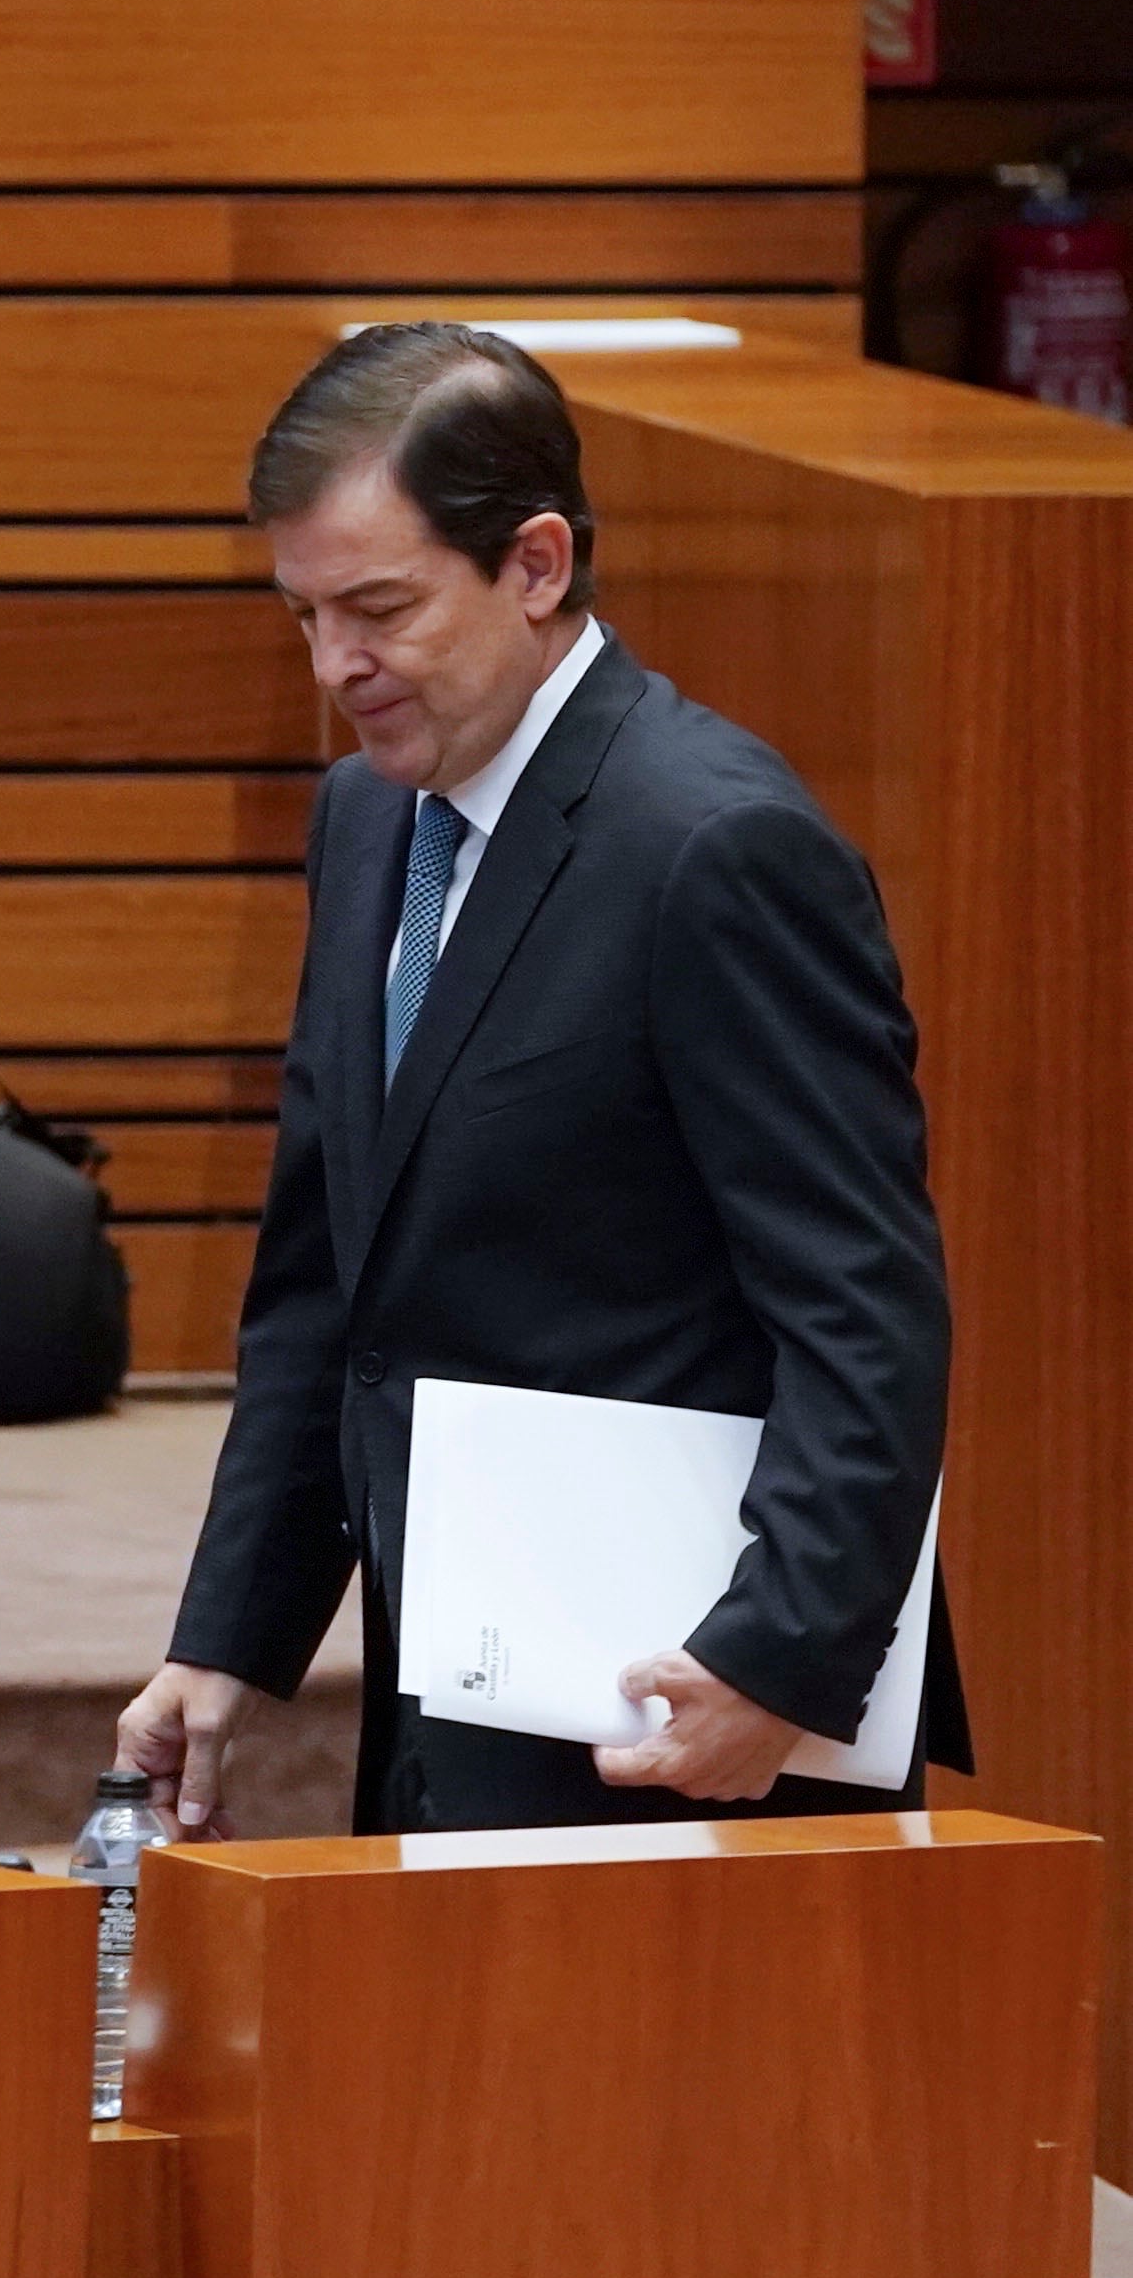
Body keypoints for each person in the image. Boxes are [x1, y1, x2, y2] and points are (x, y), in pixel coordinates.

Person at [113, 323, 966, 1838]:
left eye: (378, 609)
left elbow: (863, 1304)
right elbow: (332, 1281)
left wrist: (776, 1657)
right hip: (456, 1681)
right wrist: (233, 1634)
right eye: (303, 615)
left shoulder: (716, 848)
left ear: (536, 564)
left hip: (694, 1717)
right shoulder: (371, 824)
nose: (335, 669)